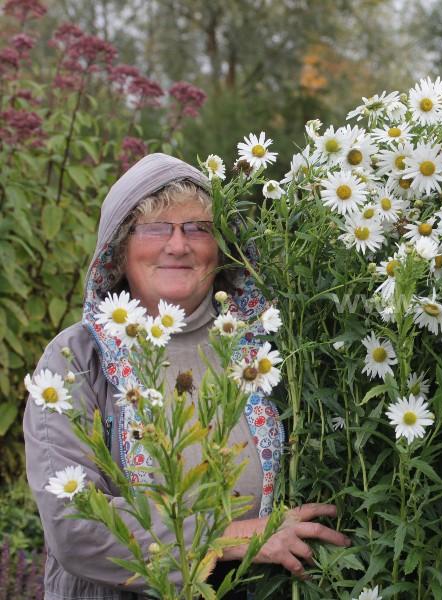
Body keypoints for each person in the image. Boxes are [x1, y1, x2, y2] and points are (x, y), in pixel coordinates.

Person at [23, 153, 350, 600]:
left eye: (197, 228)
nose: (178, 245)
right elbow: (73, 524)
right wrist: (237, 536)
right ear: (118, 249)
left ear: (222, 247)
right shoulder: (76, 360)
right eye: (156, 228)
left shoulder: (270, 347)